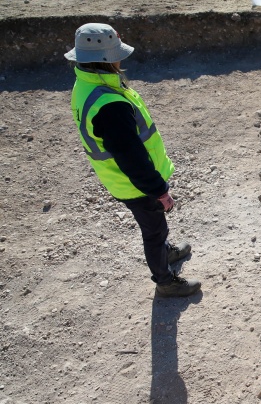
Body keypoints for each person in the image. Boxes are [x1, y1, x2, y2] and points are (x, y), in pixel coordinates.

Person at [65, 22, 201, 298]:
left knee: (155, 226)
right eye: (116, 54)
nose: (119, 59)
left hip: (124, 180)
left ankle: (166, 253)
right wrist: (159, 191)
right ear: (104, 60)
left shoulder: (86, 84)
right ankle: (165, 281)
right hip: (134, 184)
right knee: (154, 231)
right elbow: (132, 158)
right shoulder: (110, 106)